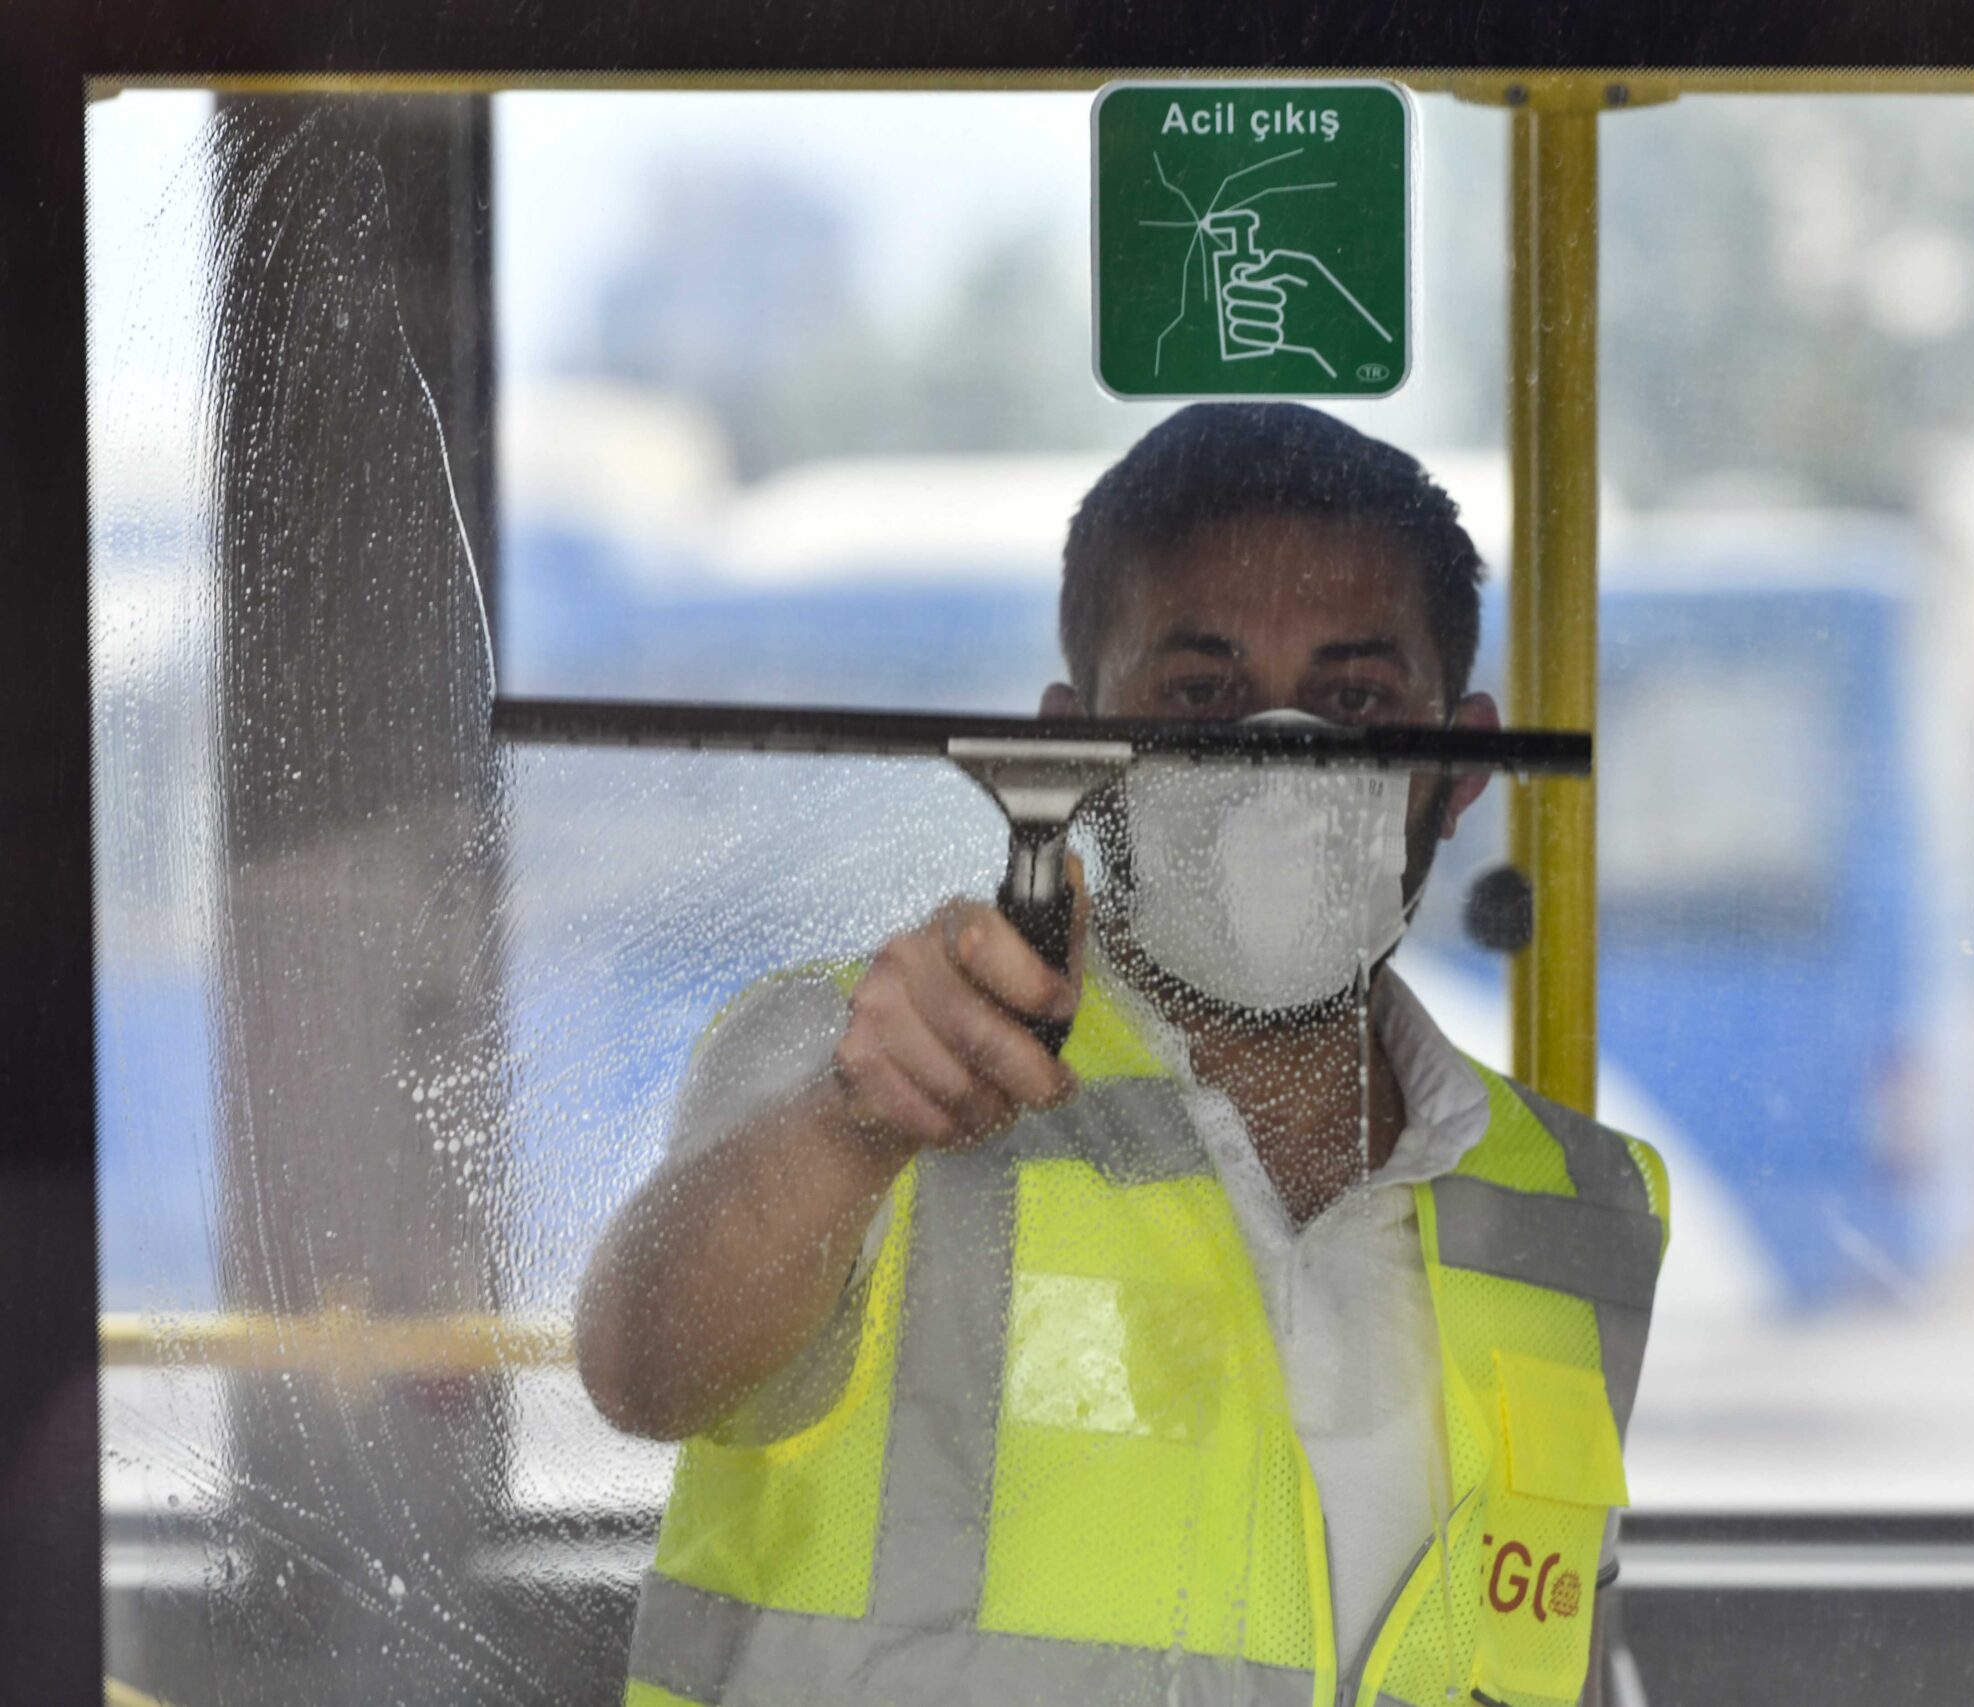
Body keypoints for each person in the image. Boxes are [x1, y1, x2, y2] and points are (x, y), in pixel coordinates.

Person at [576, 403, 1670, 1707]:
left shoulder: (1579, 1206)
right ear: (1071, 745)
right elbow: (643, 1366)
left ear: (1465, 762)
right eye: (1202, 693)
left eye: (1356, 699)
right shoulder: (878, 1060)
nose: (1281, 763)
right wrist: (850, 1127)